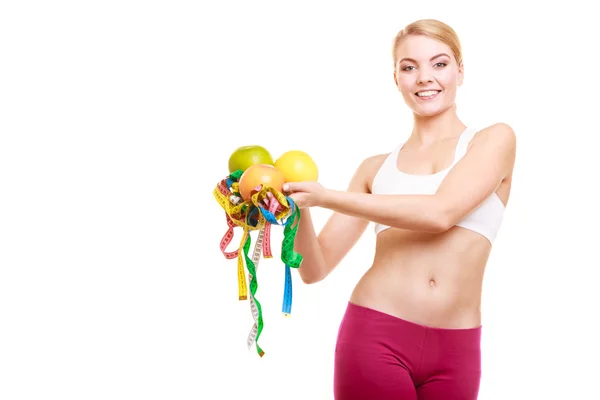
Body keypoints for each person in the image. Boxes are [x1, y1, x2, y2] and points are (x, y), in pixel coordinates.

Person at [283, 19, 517, 400]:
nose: (425, 77)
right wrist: (299, 206)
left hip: (457, 348)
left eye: (439, 64)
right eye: (409, 67)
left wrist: (326, 196)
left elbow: (440, 213)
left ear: (461, 70)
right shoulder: (375, 168)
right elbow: (315, 267)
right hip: (376, 334)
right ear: (396, 78)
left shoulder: (494, 140)